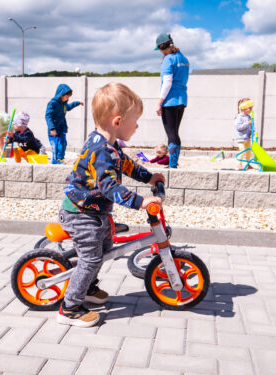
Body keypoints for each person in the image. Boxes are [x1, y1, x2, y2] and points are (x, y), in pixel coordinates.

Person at [57, 82, 165, 328]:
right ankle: (70, 307)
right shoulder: (101, 150)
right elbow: (109, 187)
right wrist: (141, 202)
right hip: (80, 214)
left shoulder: (110, 145)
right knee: (92, 259)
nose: (137, 126)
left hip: (93, 211)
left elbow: (126, 165)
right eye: (135, 121)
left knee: (104, 247)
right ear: (117, 121)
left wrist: (149, 177)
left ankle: (86, 287)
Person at [154, 33, 189, 169]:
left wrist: (159, 102)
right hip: (182, 99)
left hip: (170, 101)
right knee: (175, 131)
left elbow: (167, 83)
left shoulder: (169, 59)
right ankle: (174, 162)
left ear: (162, 47)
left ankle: (173, 164)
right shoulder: (183, 58)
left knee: (171, 133)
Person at [45, 84, 83, 164]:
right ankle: (55, 161)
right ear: (61, 94)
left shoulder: (64, 104)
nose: (68, 98)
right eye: (67, 96)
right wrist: (52, 128)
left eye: (68, 96)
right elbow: (48, 116)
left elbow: (68, 107)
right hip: (54, 130)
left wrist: (78, 103)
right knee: (56, 146)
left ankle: (60, 159)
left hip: (61, 128)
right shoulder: (53, 103)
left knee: (63, 143)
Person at [235, 98, 253, 170]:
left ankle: (248, 164)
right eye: (250, 108)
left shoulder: (249, 116)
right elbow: (238, 127)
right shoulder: (239, 117)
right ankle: (239, 164)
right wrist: (247, 123)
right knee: (242, 151)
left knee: (248, 152)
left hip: (247, 138)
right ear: (244, 108)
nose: (251, 109)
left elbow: (251, 127)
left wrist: (252, 133)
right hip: (241, 138)